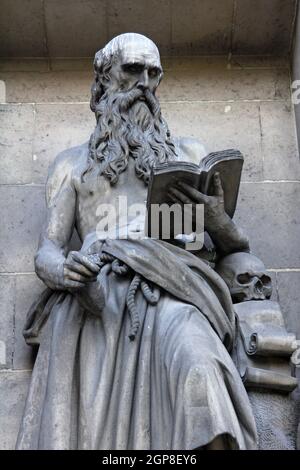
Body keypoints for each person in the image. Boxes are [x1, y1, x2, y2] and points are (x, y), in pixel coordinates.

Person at [16, 33, 257, 450]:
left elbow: (236, 248)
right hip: (98, 296)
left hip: (177, 291)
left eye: (153, 72)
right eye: (132, 69)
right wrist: (65, 271)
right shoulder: (72, 164)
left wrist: (217, 220)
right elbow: (47, 250)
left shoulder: (187, 152)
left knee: (201, 367)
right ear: (104, 79)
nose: (144, 82)